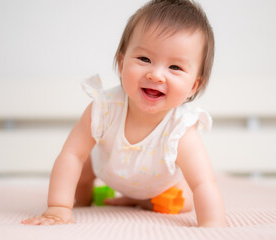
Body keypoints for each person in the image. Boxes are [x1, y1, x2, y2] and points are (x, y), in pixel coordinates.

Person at [21, 0, 226, 227]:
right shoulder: (105, 108)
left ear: (194, 86)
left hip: (161, 184)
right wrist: (58, 207)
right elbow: (71, 154)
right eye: (144, 59)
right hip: (108, 168)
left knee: (184, 200)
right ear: (121, 63)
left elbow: (203, 183)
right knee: (82, 171)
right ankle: (87, 195)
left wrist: (212, 226)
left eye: (175, 67)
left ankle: (144, 201)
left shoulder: (181, 130)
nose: (156, 75)